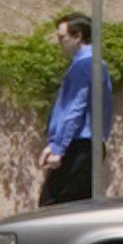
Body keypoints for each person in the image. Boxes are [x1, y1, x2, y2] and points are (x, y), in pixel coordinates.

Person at [41, 14, 101, 205]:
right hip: (81, 144)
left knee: (54, 207)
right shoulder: (88, 63)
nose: (60, 43)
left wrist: (59, 148)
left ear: (77, 36)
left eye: (62, 37)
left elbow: (75, 109)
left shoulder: (84, 65)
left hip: (78, 146)